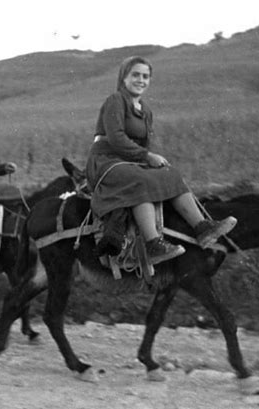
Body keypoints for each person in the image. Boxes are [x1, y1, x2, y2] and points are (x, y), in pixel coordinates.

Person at [86, 56, 237, 264]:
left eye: (146, 76)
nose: (141, 80)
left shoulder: (145, 110)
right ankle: (152, 243)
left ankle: (202, 227)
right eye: (135, 75)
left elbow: (145, 143)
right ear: (124, 78)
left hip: (131, 161)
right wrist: (146, 157)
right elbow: (116, 138)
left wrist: (149, 159)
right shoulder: (115, 101)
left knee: (170, 174)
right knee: (140, 179)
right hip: (106, 161)